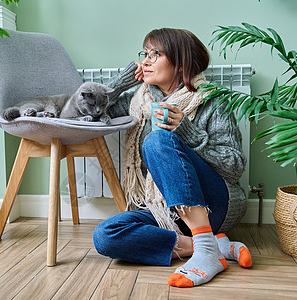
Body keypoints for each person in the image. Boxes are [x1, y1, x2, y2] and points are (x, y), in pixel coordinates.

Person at [93, 28, 252, 288]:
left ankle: (205, 249)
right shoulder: (140, 100)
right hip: (163, 209)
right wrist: (120, 84)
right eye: (145, 54)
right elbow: (91, 110)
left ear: (180, 63)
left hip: (214, 204)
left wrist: (188, 134)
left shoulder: (213, 100)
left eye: (155, 54)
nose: (145, 61)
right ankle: (210, 245)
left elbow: (234, 166)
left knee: (157, 141)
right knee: (105, 236)